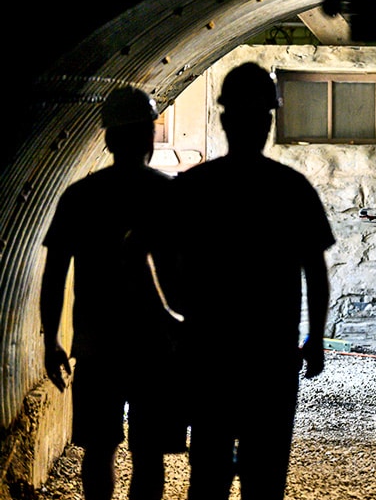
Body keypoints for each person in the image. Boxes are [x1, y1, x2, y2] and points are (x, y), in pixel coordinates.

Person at [172, 62, 335, 500]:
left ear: (224, 119)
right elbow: (315, 273)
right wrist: (314, 339)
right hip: (269, 359)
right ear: (269, 120)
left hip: (211, 356)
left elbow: (154, 255)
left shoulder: (192, 189)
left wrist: (180, 317)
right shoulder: (291, 189)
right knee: (265, 480)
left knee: (207, 474)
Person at [41, 87, 188, 500]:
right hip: (157, 345)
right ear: (150, 137)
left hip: (96, 344)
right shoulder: (171, 194)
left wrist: (51, 339)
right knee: (149, 453)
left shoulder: (80, 196)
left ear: (107, 139)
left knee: (99, 448)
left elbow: (54, 273)